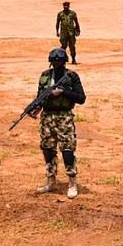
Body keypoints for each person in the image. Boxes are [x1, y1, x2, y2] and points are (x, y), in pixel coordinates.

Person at [34, 48, 86, 199]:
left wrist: (63, 92)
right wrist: (36, 108)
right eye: (54, 61)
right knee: (48, 149)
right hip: (47, 117)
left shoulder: (71, 76)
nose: (56, 63)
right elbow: (39, 96)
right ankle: (51, 180)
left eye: (59, 61)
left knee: (67, 150)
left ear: (64, 62)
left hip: (64, 117)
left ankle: (72, 182)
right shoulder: (45, 76)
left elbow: (81, 98)